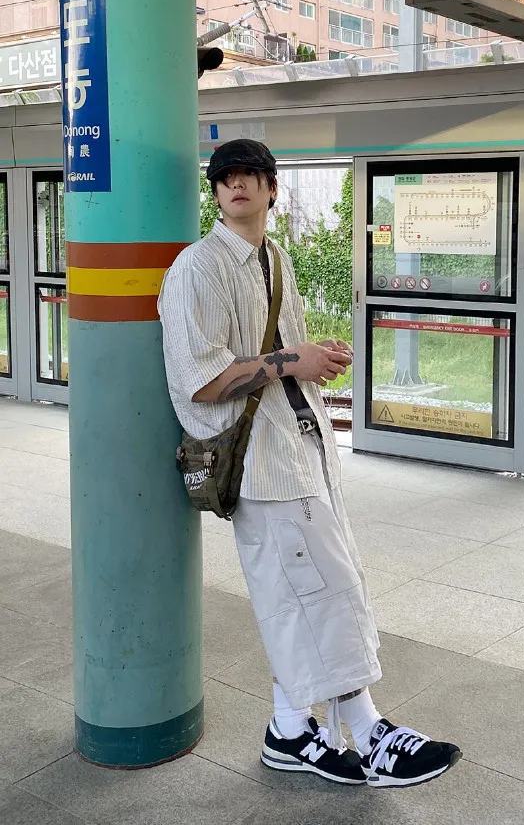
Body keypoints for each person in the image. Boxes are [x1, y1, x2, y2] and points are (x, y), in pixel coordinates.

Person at [158, 139, 461, 788]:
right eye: (224, 178)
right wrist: (292, 362)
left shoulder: (276, 258)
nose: (236, 186)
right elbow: (198, 381)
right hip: (261, 469)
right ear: (214, 193)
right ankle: (371, 732)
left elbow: (278, 354)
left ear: (272, 190)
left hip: (300, 452)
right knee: (323, 597)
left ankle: (290, 729)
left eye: (250, 176)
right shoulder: (196, 268)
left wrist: (306, 353)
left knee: (301, 601)